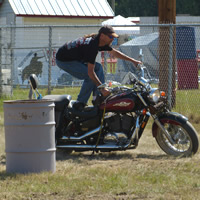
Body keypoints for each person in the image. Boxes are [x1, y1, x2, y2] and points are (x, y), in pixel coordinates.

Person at [56, 25, 142, 109]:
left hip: (72, 58)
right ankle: (80, 103)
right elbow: (90, 73)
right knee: (89, 76)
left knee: (98, 68)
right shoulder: (92, 46)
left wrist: (133, 61)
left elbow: (115, 53)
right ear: (102, 36)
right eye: (110, 36)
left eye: (113, 37)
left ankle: (98, 98)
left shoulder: (100, 42)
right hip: (64, 61)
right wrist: (102, 88)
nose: (112, 39)